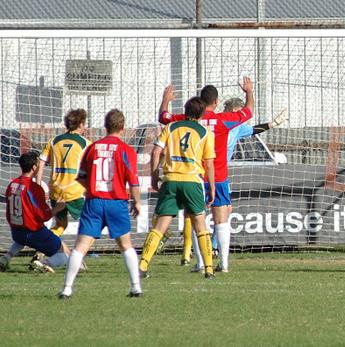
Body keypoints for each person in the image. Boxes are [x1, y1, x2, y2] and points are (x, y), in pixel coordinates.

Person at [157, 80, 287, 273]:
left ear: (201, 101)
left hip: (195, 177)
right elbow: (249, 111)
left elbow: (164, 117)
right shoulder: (224, 120)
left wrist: (166, 100)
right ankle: (224, 263)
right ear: (216, 102)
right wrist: (249, 91)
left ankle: (201, 262)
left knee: (195, 219)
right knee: (221, 219)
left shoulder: (188, 119)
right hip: (218, 177)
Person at [58, 110, 143, 298]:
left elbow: (80, 177)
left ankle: (67, 289)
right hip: (116, 202)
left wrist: (93, 188)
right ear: (123, 127)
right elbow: (134, 182)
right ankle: (135, 287)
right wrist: (137, 202)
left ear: (106, 126)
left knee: (80, 246)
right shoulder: (126, 150)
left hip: (94, 201)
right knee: (126, 245)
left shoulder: (92, 148)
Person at [139, 96, 217, 279]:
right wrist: (211, 188)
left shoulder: (171, 127)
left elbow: (156, 151)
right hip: (192, 181)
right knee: (201, 225)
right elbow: (210, 163)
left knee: (160, 226)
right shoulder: (205, 132)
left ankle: (142, 265)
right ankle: (209, 269)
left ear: (185, 111)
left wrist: (154, 176)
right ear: (202, 114)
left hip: (171, 180)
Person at [0, 152, 70, 273]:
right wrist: (58, 208)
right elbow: (43, 216)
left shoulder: (12, 184)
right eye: (38, 164)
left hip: (16, 233)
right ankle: (42, 263)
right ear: (34, 167)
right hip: (34, 233)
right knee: (66, 254)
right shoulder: (34, 188)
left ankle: (6, 258)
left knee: (21, 240)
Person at [36, 109, 91, 237]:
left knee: (61, 225)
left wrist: (38, 184)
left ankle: (41, 251)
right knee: (91, 221)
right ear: (81, 124)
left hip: (56, 190)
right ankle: (79, 252)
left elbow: (41, 162)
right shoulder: (86, 144)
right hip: (75, 191)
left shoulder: (53, 141)